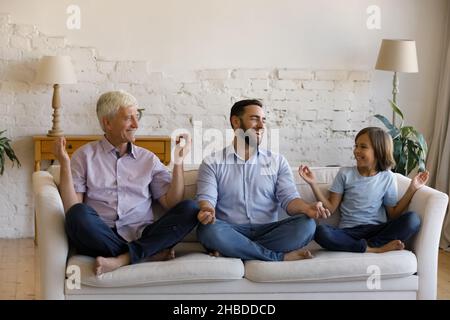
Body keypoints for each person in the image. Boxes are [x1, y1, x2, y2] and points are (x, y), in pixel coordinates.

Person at [53, 90, 199, 275]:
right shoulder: (84, 156)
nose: (136, 124)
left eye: (136, 117)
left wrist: (178, 161)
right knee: (77, 214)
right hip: (103, 235)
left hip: (141, 233)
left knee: (191, 208)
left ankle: (122, 259)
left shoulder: (148, 159)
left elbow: (173, 203)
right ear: (107, 122)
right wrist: (64, 164)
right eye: (128, 118)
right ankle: (146, 253)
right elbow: (72, 207)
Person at [195, 99, 330, 262]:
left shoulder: (277, 161)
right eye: (254, 119)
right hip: (231, 230)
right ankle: (276, 256)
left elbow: (289, 199)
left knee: (307, 225)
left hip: (269, 231)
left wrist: (307, 208)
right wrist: (206, 211)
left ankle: (234, 249)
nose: (261, 126)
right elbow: (207, 200)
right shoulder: (212, 163)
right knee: (208, 230)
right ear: (236, 122)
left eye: (263, 120)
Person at [299, 126, 427, 253]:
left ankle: (367, 246)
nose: (356, 151)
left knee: (413, 220)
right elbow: (330, 208)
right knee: (321, 232)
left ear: (378, 151)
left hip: (377, 230)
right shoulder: (345, 174)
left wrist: (412, 188)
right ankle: (375, 249)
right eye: (356, 146)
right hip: (349, 232)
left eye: (363, 147)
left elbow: (393, 214)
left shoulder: (388, 177)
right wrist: (313, 183)